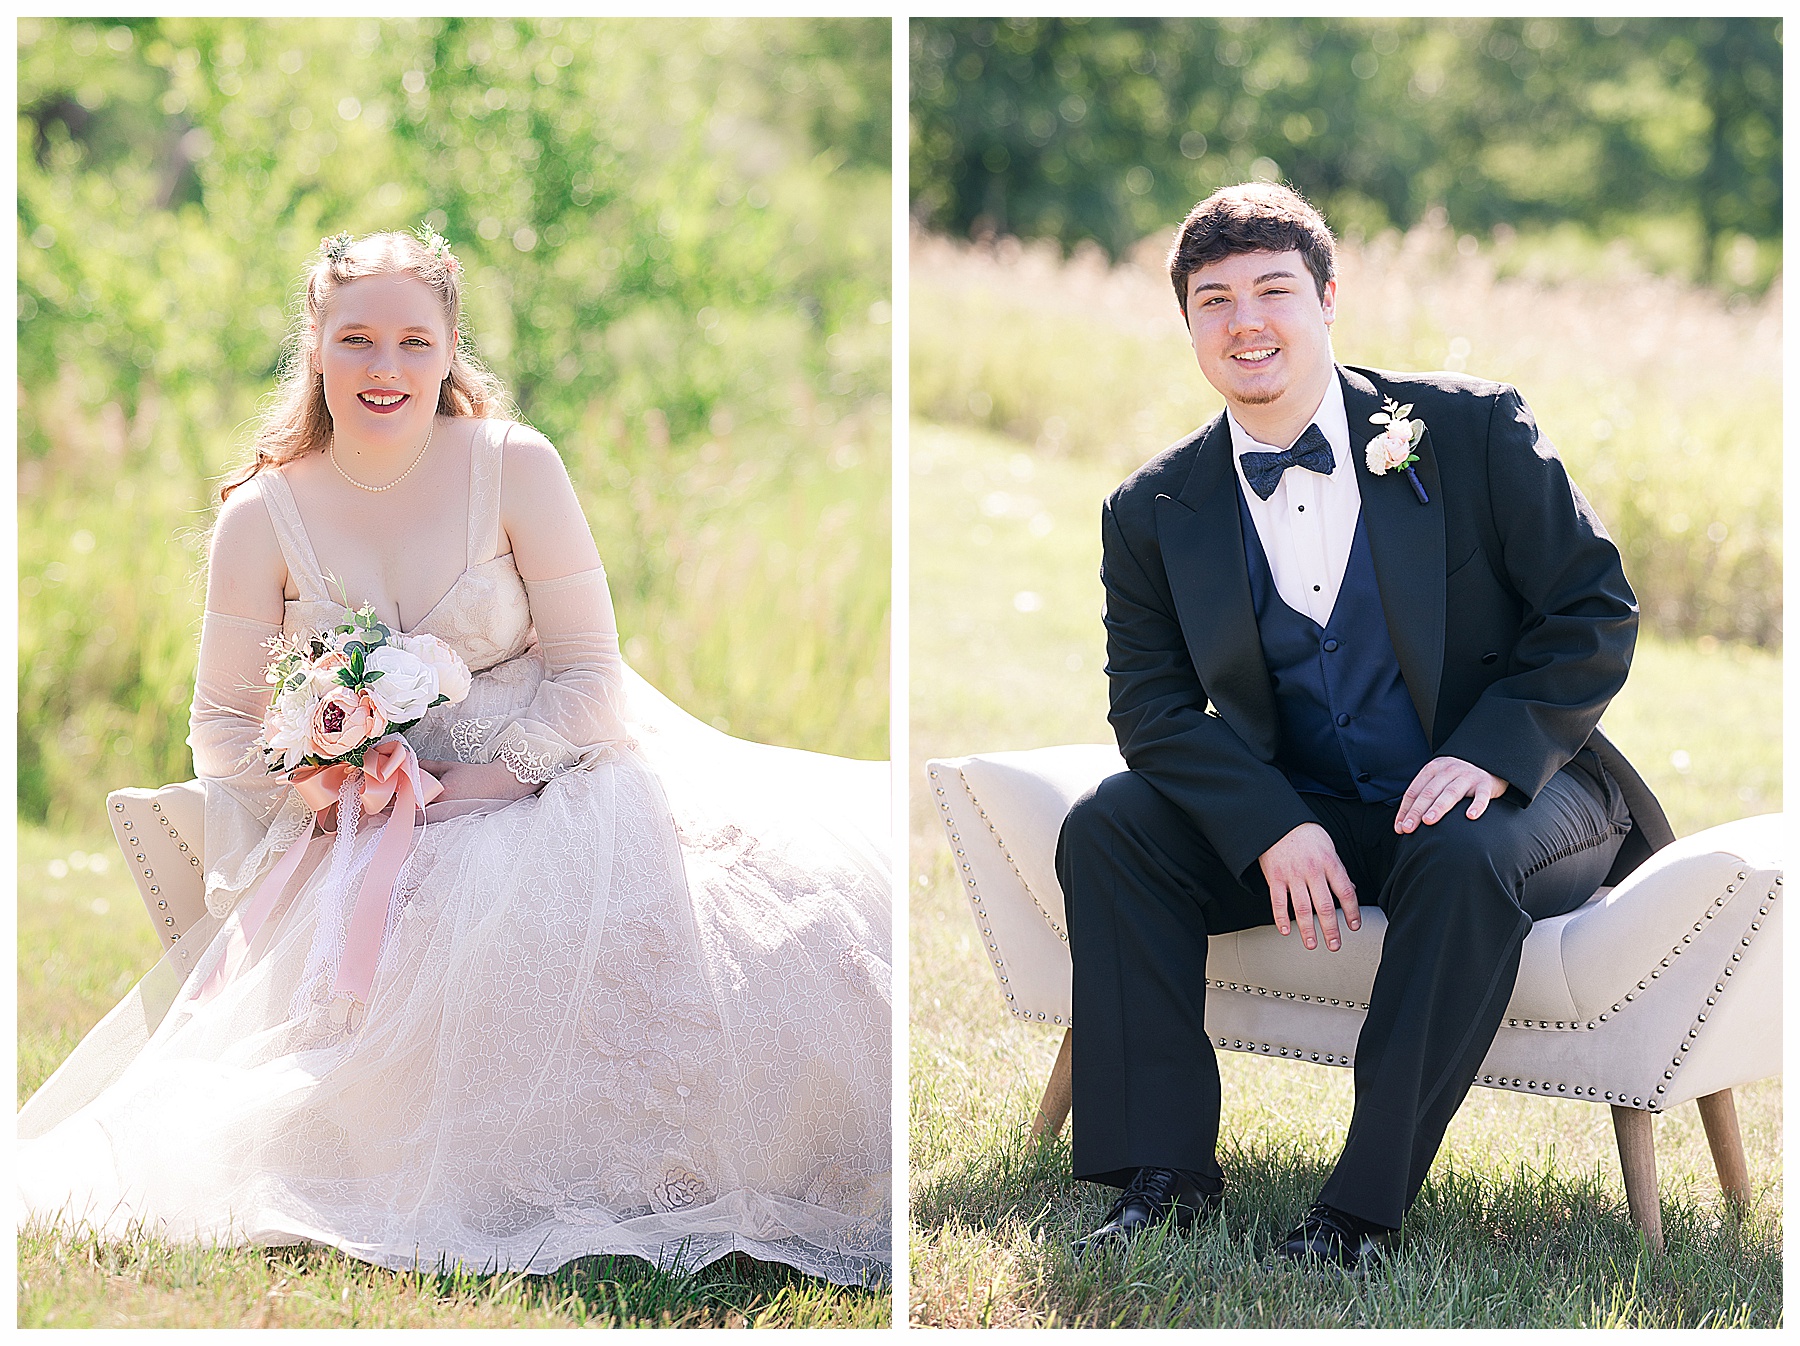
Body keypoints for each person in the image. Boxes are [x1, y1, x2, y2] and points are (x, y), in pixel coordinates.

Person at [18, 228, 892, 1287]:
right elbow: (222, 721)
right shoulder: (263, 513)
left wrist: (494, 776)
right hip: (363, 816)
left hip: (550, 771)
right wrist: (325, 775)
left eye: (410, 342)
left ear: (447, 349)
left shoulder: (515, 464)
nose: (384, 369)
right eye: (357, 341)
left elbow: (592, 675)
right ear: (316, 347)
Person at [1055, 183, 1671, 1270]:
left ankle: (1359, 1209)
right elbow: (1147, 707)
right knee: (1111, 823)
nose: (1248, 321)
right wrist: (1268, 822)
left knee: (1463, 850)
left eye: (1274, 290)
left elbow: (1594, 608)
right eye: (1215, 298)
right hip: (1315, 806)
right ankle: (1163, 1174)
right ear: (1187, 323)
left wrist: (1490, 748)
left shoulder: (1467, 427)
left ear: (1330, 297)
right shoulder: (1151, 508)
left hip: (1523, 789)